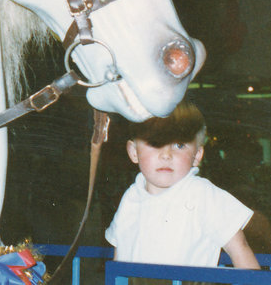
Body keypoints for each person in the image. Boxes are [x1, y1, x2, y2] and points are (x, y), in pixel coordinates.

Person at [105, 101, 260, 270]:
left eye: (179, 145)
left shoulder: (202, 194)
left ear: (197, 155)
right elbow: (119, 254)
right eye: (155, 143)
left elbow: (240, 248)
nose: (166, 155)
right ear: (134, 152)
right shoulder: (130, 198)